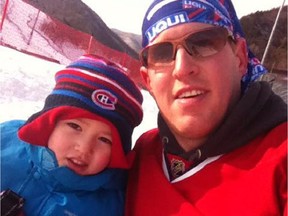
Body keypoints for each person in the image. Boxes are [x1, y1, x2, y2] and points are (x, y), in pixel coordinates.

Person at [125, 0, 287, 215]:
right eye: (162, 53)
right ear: (148, 81)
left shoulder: (281, 157)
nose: (182, 69)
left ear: (240, 58)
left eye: (203, 42)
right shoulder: (140, 155)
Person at [0, 54, 143, 216]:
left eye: (104, 139)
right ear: (49, 124)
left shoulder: (109, 207)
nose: (84, 148)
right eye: (75, 126)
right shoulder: (5, 143)